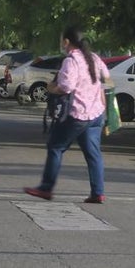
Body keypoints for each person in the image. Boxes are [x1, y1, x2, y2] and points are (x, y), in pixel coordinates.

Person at [24, 25, 111, 204]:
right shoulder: (94, 58)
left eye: (62, 41)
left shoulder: (71, 61)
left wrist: (50, 88)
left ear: (66, 42)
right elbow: (107, 80)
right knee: (93, 154)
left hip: (76, 113)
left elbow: (66, 86)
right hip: (96, 114)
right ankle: (98, 192)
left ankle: (46, 188)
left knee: (55, 147)